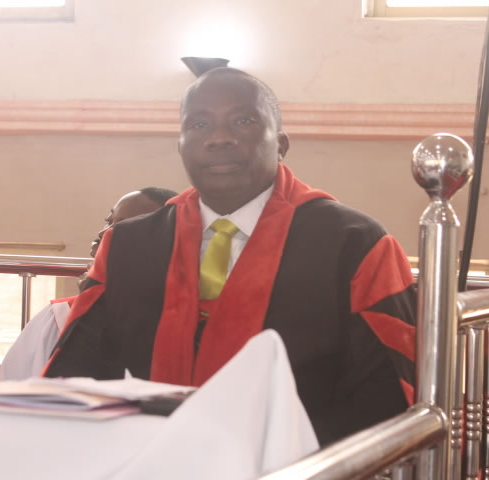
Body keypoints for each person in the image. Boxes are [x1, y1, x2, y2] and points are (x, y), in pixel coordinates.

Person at [44, 68, 416, 446]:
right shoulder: (129, 245)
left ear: (281, 144)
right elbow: (75, 376)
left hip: (302, 463)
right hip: (146, 457)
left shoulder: (354, 245)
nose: (219, 138)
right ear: (180, 145)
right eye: (200, 124)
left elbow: (385, 397)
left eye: (243, 121)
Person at [0, 187, 178, 381]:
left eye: (126, 226)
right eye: (109, 221)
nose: (104, 233)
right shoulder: (56, 318)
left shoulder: (180, 326)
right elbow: (10, 387)